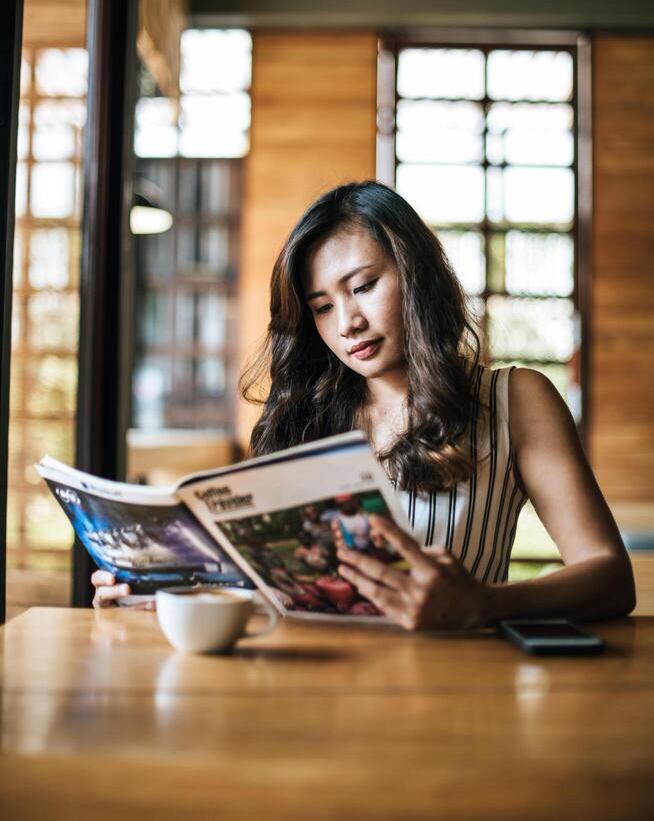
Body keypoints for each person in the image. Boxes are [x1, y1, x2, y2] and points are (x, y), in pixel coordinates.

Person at [93, 181, 635, 631]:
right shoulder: (300, 419)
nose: (347, 323)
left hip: (452, 702)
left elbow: (609, 576)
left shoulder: (514, 399)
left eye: (365, 286)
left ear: (418, 277)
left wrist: (487, 604)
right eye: (323, 307)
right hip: (300, 699)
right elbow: (268, 589)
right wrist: (158, 590)